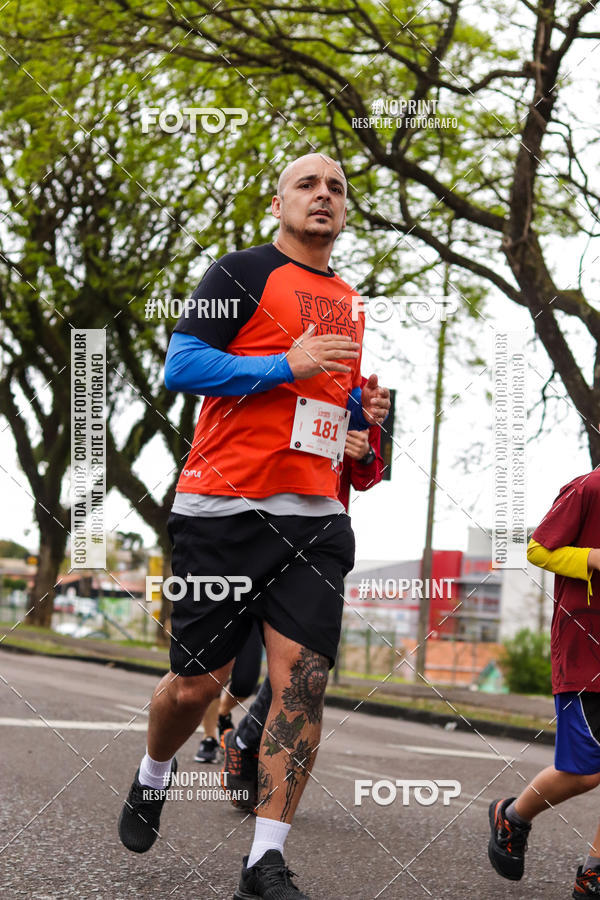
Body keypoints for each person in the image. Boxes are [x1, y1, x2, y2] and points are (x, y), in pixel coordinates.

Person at [117, 152, 390, 900]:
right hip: (224, 509)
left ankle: (264, 859)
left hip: (316, 519)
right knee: (194, 684)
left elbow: (325, 415)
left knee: (302, 684)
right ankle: (155, 771)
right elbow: (182, 366)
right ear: (279, 204)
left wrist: (362, 433)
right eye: (308, 184)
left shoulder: (352, 302)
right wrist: (283, 364)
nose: (325, 195)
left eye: (337, 186)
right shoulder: (237, 273)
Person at [222, 416, 384, 810]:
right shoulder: (269, 368)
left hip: (316, 541)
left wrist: (364, 454)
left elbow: (369, 475)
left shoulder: (364, 394)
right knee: (226, 673)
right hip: (249, 526)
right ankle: (230, 739)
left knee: (308, 666)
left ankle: (245, 741)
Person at [488, 464, 600, 897]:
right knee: (584, 773)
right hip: (585, 651)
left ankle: (594, 873)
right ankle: (512, 816)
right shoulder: (588, 488)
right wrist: (591, 557)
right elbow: (537, 549)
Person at [194, 621, 263, 763]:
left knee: (245, 683)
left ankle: (222, 714)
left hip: (251, 611)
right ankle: (209, 737)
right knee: (212, 677)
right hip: (214, 608)